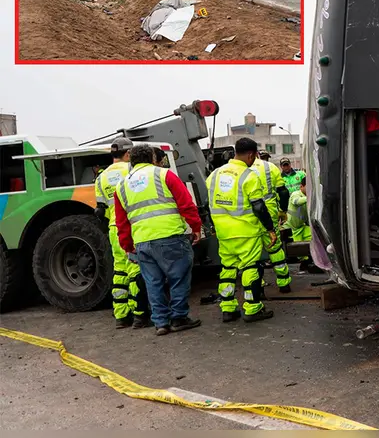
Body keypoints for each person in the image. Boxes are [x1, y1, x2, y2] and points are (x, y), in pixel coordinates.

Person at [114, 144, 202, 336]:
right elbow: (186, 204)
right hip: (170, 237)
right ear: (153, 158)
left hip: (142, 242)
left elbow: (121, 222)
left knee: (153, 282)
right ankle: (179, 317)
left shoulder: (121, 186)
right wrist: (195, 227)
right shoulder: (164, 175)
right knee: (178, 278)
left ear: (131, 159)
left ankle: (160, 322)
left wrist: (128, 246)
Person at [207, 137, 280, 322]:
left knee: (228, 269)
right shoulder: (249, 175)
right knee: (250, 268)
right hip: (246, 231)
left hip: (224, 232)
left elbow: (208, 203)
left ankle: (228, 308)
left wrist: (213, 226)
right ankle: (252, 308)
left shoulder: (214, 175)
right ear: (250, 155)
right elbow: (258, 207)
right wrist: (270, 228)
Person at [94, 137, 149, 330]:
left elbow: (100, 208)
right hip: (130, 227)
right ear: (128, 154)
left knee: (119, 271)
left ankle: (120, 315)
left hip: (113, 228)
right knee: (135, 270)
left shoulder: (101, 177)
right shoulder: (131, 171)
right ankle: (139, 314)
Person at [252, 151, 292, 292]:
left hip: (248, 217)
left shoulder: (238, 170)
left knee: (253, 254)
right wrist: (283, 210)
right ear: (256, 153)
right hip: (270, 213)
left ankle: (258, 286)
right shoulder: (269, 167)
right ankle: (284, 284)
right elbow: (283, 192)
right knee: (275, 248)